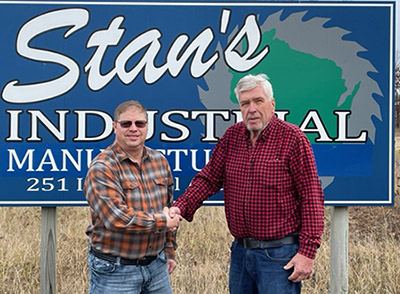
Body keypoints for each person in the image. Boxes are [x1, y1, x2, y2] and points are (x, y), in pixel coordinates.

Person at [170, 74, 324, 293]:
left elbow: (311, 196)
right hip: (241, 252)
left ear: (272, 104)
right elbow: (209, 178)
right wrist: (181, 206)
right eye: (245, 103)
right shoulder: (232, 137)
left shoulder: (293, 139)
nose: (251, 109)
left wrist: (307, 252)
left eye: (258, 101)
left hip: (279, 255)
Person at [84, 100, 181, 294]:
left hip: (157, 268)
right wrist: (163, 221)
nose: (133, 129)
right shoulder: (103, 167)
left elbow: (168, 208)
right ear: (114, 127)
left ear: (147, 126)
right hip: (116, 270)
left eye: (140, 124)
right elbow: (116, 218)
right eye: (126, 124)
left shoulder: (159, 161)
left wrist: (169, 251)